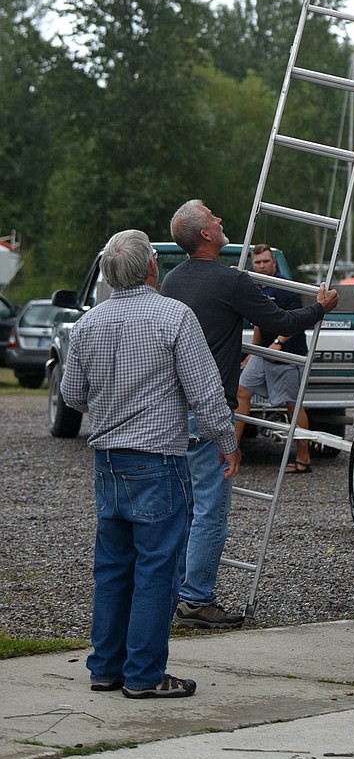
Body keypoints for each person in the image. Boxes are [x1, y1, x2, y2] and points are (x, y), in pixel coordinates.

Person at [60, 229, 239, 699]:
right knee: (157, 570)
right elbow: (204, 391)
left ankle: (105, 667)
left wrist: (112, 401)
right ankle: (143, 675)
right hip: (158, 459)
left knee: (113, 567)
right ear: (152, 267)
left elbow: (72, 395)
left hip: (107, 462)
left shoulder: (88, 324)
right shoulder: (173, 316)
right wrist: (227, 440)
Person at [162, 200, 338, 628]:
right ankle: (195, 600)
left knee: (182, 506)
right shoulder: (230, 281)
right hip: (208, 409)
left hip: (171, 408)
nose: (221, 220)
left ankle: (175, 591)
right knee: (210, 509)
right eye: (213, 217)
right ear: (205, 235)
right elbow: (283, 321)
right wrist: (321, 307)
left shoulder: (171, 281)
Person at [234, 243, 313, 475]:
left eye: (265, 261)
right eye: (257, 262)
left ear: (274, 263)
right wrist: (253, 352)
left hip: (288, 355)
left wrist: (279, 342)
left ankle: (303, 458)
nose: (261, 266)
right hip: (264, 353)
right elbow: (259, 323)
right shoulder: (255, 288)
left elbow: (295, 320)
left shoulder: (287, 289)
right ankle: (231, 451)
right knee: (242, 391)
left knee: (293, 404)